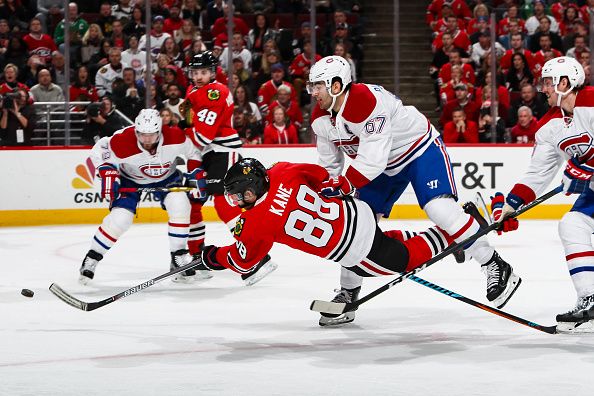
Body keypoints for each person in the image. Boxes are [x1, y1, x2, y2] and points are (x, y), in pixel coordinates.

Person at [307, 55, 521, 325]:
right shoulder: (320, 117)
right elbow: (330, 164)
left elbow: (373, 159)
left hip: (418, 149)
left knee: (439, 209)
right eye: (312, 86)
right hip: (384, 166)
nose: (313, 92)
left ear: (336, 85)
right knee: (356, 223)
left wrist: (344, 185)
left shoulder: (363, 101)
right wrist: (327, 185)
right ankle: (348, 293)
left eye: (318, 86)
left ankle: (495, 264)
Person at [197, 158, 458, 326]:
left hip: (355, 248)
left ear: (251, 190)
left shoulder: (256, 223)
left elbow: (243, 262)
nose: (236, 202)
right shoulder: (282, 170)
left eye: (237, 196)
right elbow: (320, 175)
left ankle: (454, 235)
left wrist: (213, 257)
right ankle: (349, 293)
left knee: (403, 259)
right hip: (357, 210)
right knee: (384, 243)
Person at [491, 56, 594, 333]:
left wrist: (586, 167)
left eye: (548, 82)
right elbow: (538, 174)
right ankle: (590, 299)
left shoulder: (591, 101)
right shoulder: (549, 126)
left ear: (565, 82)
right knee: (572, 224)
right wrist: (511, 206)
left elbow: (585, 167)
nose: (544, 89)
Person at [79, 109, 210, 284]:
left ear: (160, 131)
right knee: (120, 219)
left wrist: (195, 171)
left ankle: (177, 256)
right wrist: (106, 170)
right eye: (142, 134)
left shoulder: (174, 136)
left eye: (152, 135)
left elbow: (193, 152)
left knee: (181, 205)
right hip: (130, 180)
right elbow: (98, 151)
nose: (147, 140)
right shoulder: (123, 140)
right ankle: (92, 258)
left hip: (167, 178)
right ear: (136, 131)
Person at [182, 51, 277, 285]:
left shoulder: (216, 92)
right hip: (205, 156)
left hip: (222, 152)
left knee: (225, 203)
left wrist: (180, 130)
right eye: (195, 72)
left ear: (213, 72)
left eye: (204, 72)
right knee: (193, 202)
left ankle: (256, 258)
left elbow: (203, 135)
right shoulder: (193, 91)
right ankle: (196, 255)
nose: (199, 76)